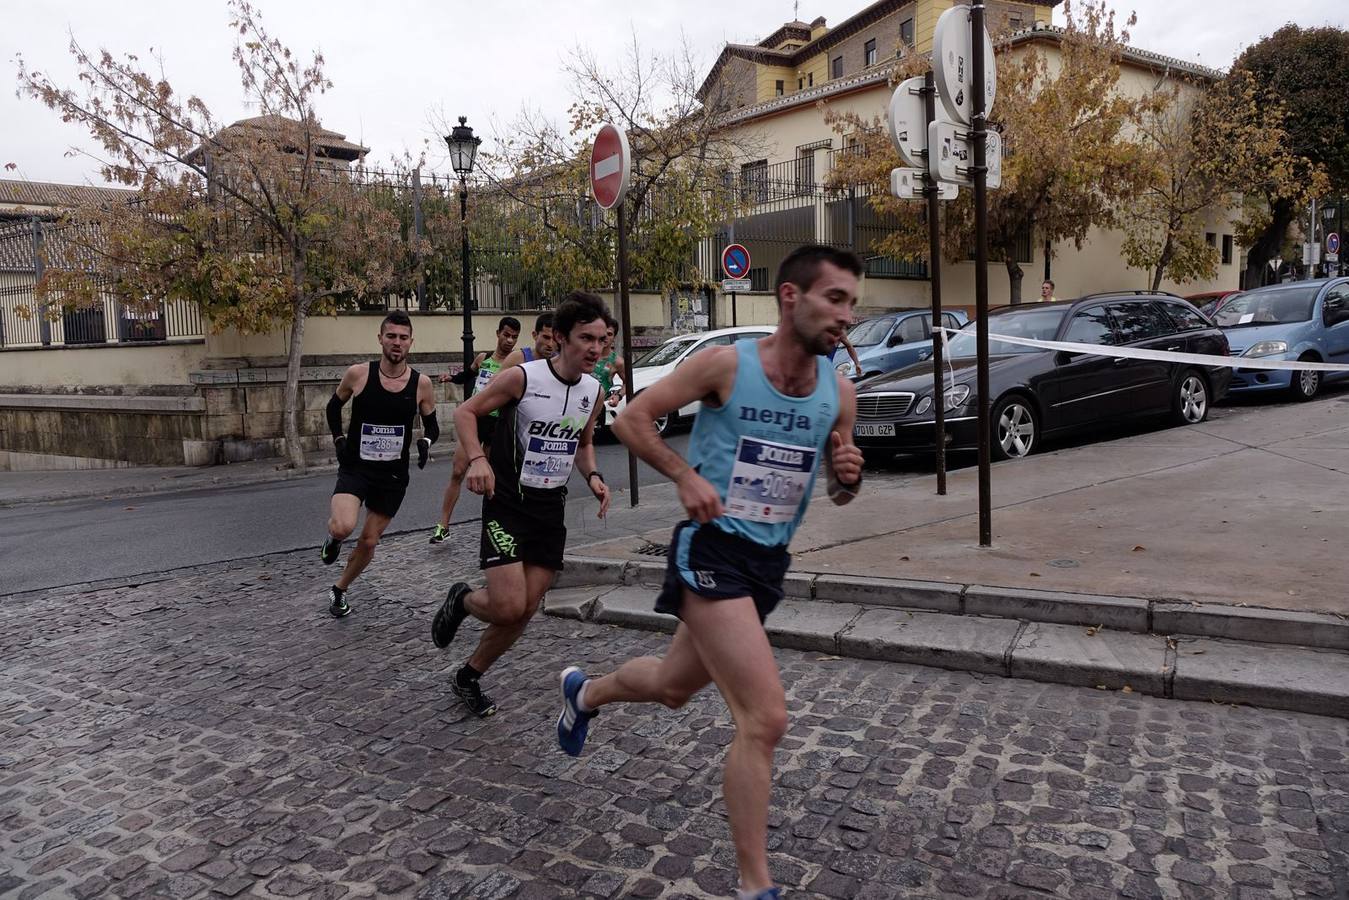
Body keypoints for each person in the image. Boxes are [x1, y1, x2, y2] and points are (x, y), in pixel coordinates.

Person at [554, 245, 865, 900]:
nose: (845, 315)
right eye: (834, 298)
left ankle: (584, 694)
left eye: (851, 304)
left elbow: (835, 491)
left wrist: (845, 481)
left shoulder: (838, 395)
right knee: (765, 718)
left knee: (671, 686)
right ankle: (756, 887)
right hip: (712, 549)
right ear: (790, 297)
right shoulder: (727, 364)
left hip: (766, 564)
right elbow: (631, 417)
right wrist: (684, 474)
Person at [430, 292, 612, 717]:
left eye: (602, 340)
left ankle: (468, 675)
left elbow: (583, 445)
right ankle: (461, 600)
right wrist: (477, 459)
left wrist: (595, 476)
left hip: (551, 509)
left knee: (526, 608)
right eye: (587, 338)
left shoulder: (594, 390)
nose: (596, 349)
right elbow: (465, 414)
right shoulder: (523, 378)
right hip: (509, 503)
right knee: (509, 605)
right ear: (562, 338)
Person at [320, 310, 438, 617]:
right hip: (357, 466)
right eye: (391, 337)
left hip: (393, 475)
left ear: (411, 342)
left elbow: (433, 426)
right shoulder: (359, 374)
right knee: (344, 526)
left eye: (403, 338)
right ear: (380, 339)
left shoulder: (421, 384)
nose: (397, 343)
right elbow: (333, 408)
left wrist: (425, 442)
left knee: (369, 541)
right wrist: (338, 439)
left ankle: (339, 589)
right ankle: (333, 539)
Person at [428, 316, 521, 544]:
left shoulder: (517, 366)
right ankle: (443, 525)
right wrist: (450, 377)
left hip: (497, 425)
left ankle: (493, 525)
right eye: (506, 335)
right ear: (498, 333)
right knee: (458, 471)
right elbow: (467, 375)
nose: (509, 340)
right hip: (475, 420)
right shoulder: (483, 359)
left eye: (514, 337)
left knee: (490, 480)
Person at [592, 317, 627, 430]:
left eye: (609, 334)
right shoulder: (586, 353)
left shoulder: (618, 362)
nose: (605, 337)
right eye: (603, 333)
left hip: (597, 409)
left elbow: (628, 383)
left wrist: (618, 396)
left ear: (614, 337)